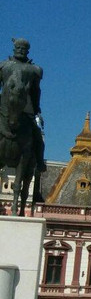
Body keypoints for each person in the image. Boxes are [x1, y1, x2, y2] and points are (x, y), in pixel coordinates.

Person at [0, 38, 47, 194]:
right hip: (4, 108)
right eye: (18, 47)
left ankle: (39, 161)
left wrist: (37, 109)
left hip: (25, 110)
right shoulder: (3, 66)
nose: (20, 50)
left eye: (24, 48)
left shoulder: (34, 70)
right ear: (14, 49)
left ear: (28, 51)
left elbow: (35, 92)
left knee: (37, 138)